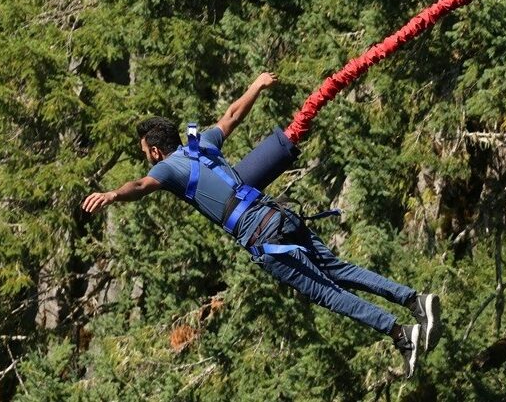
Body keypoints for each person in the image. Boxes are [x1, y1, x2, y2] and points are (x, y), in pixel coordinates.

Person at [81, 72, 442, 377]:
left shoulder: (166, 168)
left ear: (156, 152)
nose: (148, 161)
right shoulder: (200, 144)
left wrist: (113, 194)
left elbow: (141, 186)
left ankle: (401, 334)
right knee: (339, 269)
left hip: (260, 234)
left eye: (146, 154)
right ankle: (414, 300)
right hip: (278, 214)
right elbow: (232, 116)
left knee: (326, 293)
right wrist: (255, 86)